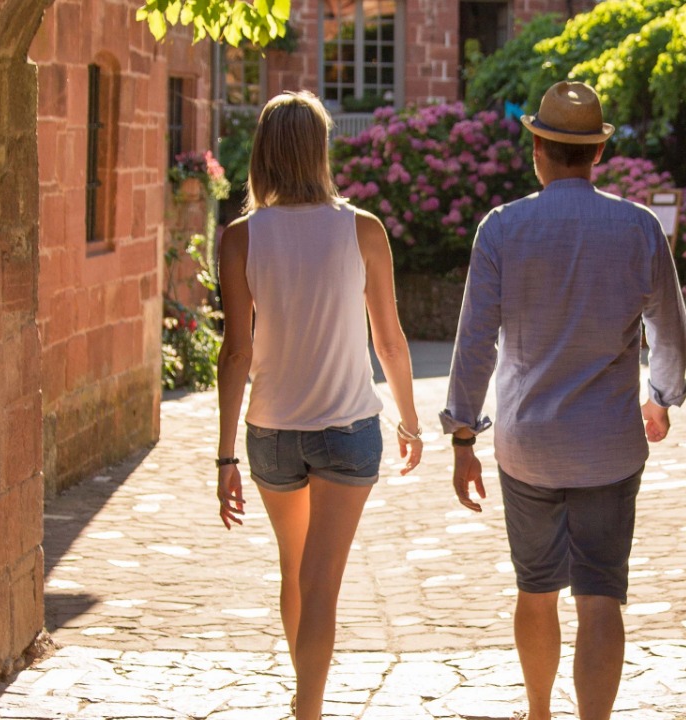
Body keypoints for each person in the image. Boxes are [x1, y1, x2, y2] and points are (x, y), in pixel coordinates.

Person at [441, 81, 686, 720]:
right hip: (608, 443)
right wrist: (661, 397)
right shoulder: (638, 228)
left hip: (526, 444)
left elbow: (475, 340)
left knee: (536, 591)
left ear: (537, 150)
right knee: (601, 597)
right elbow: (672, 326)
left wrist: (463, 435)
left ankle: (538, 713)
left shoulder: (503, 228)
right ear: (597, 154)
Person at [214, 90, 424, 720]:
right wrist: (410, 420)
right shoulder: (361, 229)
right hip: (347, 429)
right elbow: (389, 338)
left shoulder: (240, 237)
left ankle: (304, 697)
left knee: (295, 569)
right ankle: (308, 708)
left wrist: (224, 455)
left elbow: (234, 354)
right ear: (320, 151)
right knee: (321, 581)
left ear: (263, 153)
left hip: (270, 432)